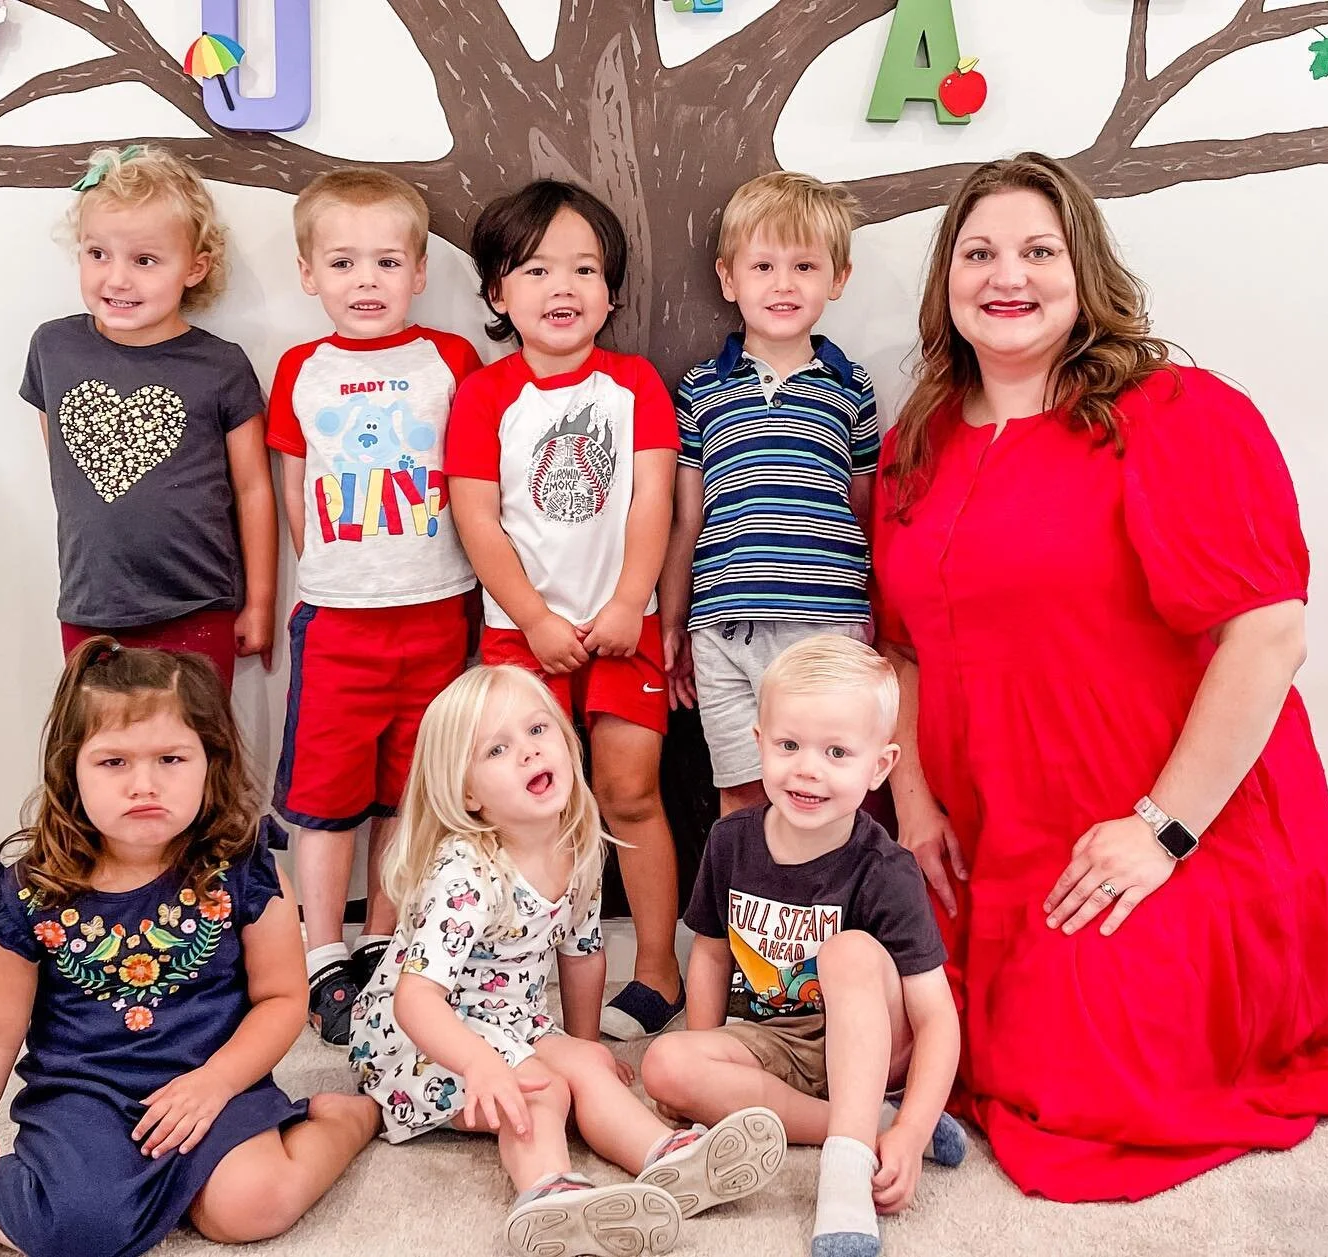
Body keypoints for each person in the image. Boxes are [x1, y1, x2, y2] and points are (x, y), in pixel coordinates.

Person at [868, 151, 1328, 1202]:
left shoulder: (1177, 415)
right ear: (946, 280)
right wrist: (913, 810)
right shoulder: (920, 443)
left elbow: (1268, 638)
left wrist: (1162, 831)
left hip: (1165, 831)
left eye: (1040, 251)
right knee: (892, 1033)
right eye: (981, 252)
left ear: (1084, 270)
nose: (1010, 276)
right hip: (985, 841)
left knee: (1085, 1094)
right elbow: (901, 647)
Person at [0, 639, 379, 1256]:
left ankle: (347, 1122)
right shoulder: (30, 892)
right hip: (86, 1094)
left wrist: (215, 1083)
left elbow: (283, 999)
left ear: (209, 763)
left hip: (217, 1080)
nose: (144, 785)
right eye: (113, 763)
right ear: (70, 769)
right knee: (82, 1229)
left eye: (170, 758)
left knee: (251, 1205)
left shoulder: (240, 870)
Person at [348, 664, 785, 1254]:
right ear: (468, 794)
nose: (529, 753)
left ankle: (668, 1158)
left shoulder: (576, 843)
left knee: (588, 1070)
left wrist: (586, 1047)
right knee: (542, 1091)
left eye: (537, 730)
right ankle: (546, 1192)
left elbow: (582, 957)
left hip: (511, 1023)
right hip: (419, 1042)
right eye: (498, 749)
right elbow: (415, 998)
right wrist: (479, 1064)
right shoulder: (466, 872)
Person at [446, 180, 686, 1041]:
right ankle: (515, 976)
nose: (564, 287)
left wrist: (629, 602)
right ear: (497, 293)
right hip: (520, 634)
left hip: (625, 628)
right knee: (520, 805)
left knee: (628, 790)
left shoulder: (635, 385)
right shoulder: (484, 394)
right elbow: (477, 518)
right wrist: (536, 621)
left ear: (611, 291)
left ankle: (656, 965)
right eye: (538, 268)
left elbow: (652, 502)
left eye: (586, 269)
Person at [642, 636, 965, 1257]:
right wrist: (703, 1051)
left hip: (871, 1041)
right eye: (789, 745)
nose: (808, 769)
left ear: (880, 766)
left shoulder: (885, 868)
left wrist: (920, 1116)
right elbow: (709, 953)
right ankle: (869, 1125)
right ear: (759, 743)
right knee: (665, 1064)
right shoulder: (731, 841)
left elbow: (935, 1019)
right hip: (777, 1045)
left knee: (844, 952)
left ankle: (846, 1168)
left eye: (837, 752)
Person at [266, 168, 485, 1045]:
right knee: (325, 794)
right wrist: (323, 570)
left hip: (438, 609)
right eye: (344, 261)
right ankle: (325, 953)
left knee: (408, 786)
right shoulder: (299, 370)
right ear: (308, 273)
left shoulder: (451, 360)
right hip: (339, 618)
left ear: (420, 271)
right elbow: (292, 487)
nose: (366, 280)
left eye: (387, 261)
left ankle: (384, 941)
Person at [658, 172, 879, 816]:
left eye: (804, 265)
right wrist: (672, 624)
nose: (783, 284)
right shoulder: (700, 388)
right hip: (722, 629)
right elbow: (687, 520)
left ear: (837, 279)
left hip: (827, 627)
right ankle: (744, 919)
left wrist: (879, 620)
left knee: (829, 793)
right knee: (743, 793)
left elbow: (865, 513)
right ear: (729, 279)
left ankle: (830, 916)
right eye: (763, 265)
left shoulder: (852, 387)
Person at [21, 145, 278, 690]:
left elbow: (255, 489)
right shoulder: (53, 348)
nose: (117, 279)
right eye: (97, 253)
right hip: (91, 608)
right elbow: (62, 466)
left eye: (144, 260)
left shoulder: (221, 365)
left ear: (195, 267)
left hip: (199, 605)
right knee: (103, 750)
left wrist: (259, 604)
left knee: (197, 756)